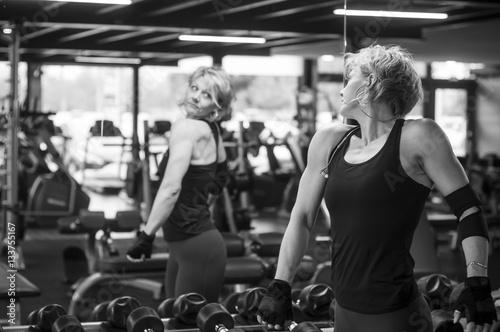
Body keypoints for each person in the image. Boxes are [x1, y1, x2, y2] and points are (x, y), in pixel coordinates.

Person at [256, 44, 498, 332]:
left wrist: (478, 283)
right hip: (344, 310)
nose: (342, 88)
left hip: (396, 315)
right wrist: (281, 284)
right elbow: (303, 217)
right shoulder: (330, 142)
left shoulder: (418, 136)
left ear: (370, 82)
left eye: (350, 78)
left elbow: (469, 210)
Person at [126, 66, 234, 303]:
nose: (196, 96)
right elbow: (224, 174)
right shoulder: (211, 129)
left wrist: (147, 235)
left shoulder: (186, 127)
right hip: (189, 245)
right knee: (173, 318)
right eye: (194, 88)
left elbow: (171, 187)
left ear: (218, 106)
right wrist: (202, 205)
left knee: (188, 324)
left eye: (207, 94)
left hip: (196, 247)